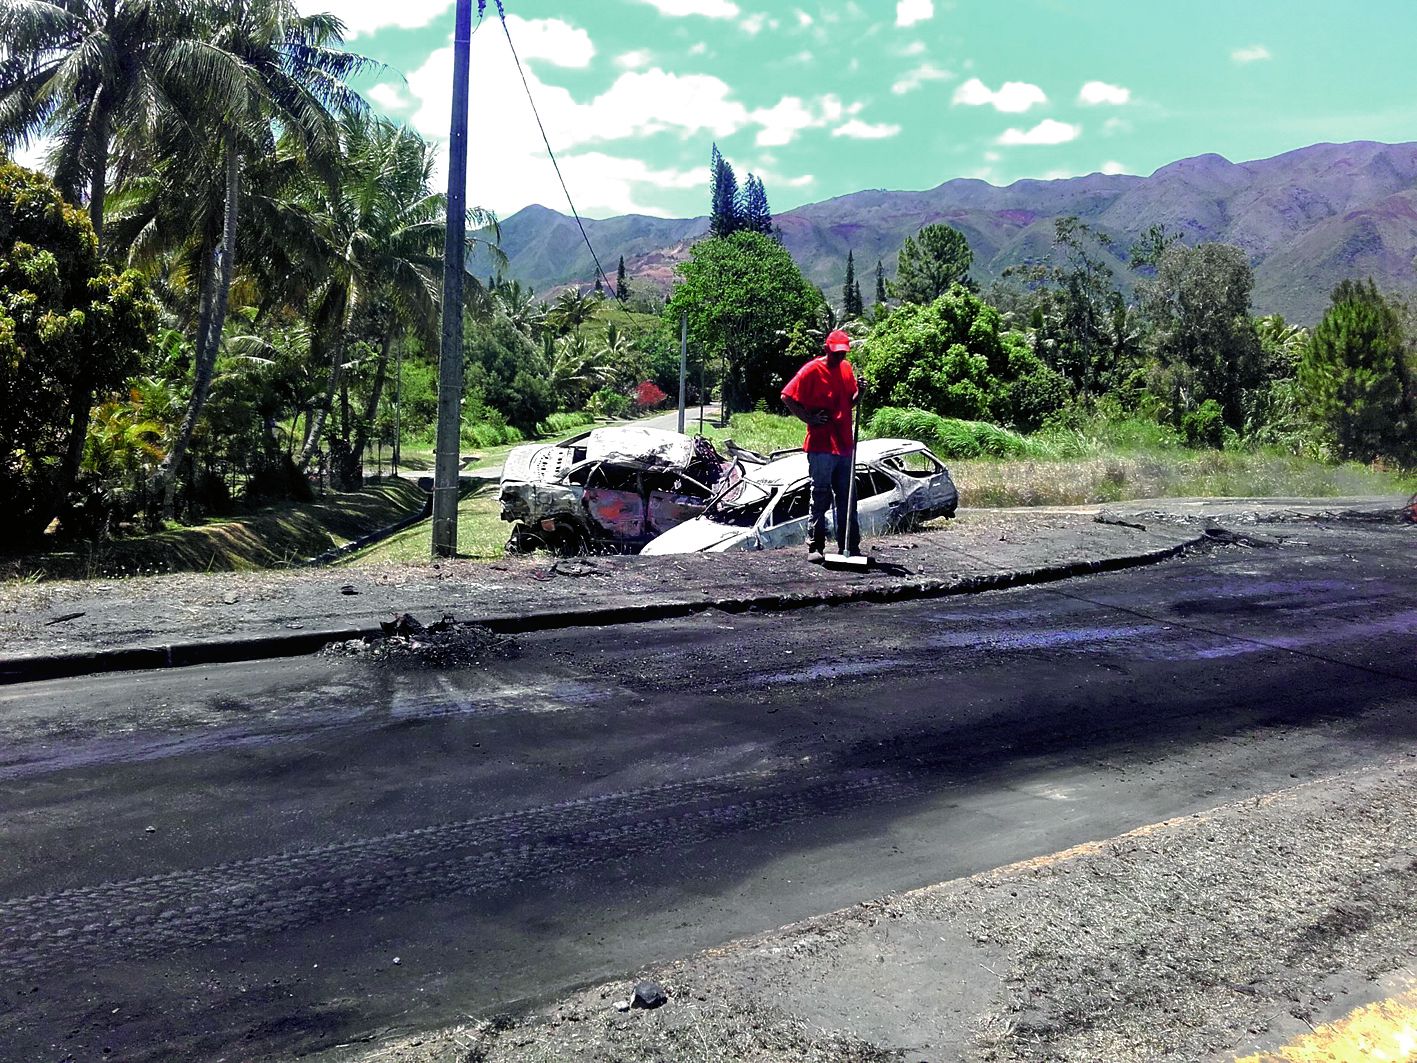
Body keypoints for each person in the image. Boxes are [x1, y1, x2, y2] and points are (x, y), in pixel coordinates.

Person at [780, 328, 860, 562]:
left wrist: (861, 392)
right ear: (826, 349)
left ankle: (850, 546)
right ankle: (815, 545)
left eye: (843, 353)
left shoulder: (846, 369)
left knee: (847, 497)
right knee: (821, 494)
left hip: (844, 444)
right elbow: (786, 396)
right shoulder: (811, 369)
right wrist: (808, 418)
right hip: (821, 444)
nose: (840, 357)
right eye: (836, 353)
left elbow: (850, 402)